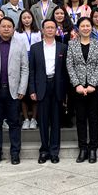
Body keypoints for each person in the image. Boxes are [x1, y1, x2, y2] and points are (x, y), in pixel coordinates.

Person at [0, 17, 29, 165]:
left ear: (13, 29)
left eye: (9, 26)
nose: (6, 28)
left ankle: (15, 153)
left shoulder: (20, 45)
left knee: (14, 123)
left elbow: (25, 68)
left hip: (13, 91)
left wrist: (22, 88)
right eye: (3, 26)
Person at [29, 19, 68, 164]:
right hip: (41, 86)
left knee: (56, 121)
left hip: (57, 86)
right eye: (47, 27)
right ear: (43, 30)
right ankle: (44, 150)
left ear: (56, 30)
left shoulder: (63, 47)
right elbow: (32, 71)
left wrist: (65, 92)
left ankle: (54, 151)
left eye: (53, 27)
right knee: (43, 121)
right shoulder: (35, 48)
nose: (50, 30)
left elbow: (65, 71)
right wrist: (32, 89)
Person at [66, 17, 98, 163]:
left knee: (93, 118)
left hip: (94, 87)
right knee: (80, 118)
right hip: (78, 87)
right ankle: (83, 148)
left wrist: (92, 84)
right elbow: (70, 65)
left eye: (88, 25)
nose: (86, 28)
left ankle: (93, 148)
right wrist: (77, 85)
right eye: (83, 26)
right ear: (78, 28)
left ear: (91, 27)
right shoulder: (72, 44)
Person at [15, 10, 42, 130]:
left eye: (29, 17)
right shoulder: (17, 33)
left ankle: (34, 119)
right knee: (23, 91)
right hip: (22, 62)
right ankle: (26, 119)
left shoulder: (37, 32)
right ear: (21, 20)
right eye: (24, 18)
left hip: (35, 60)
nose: (26, 20)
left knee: (34, 90)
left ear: (32, 19)